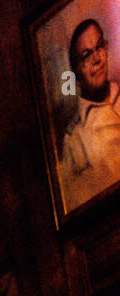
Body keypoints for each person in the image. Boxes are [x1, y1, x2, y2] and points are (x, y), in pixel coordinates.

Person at [59, 18, 120, 212]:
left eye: (99, 47)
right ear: (76, 72)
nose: (97, 59)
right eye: (86, 55)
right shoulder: (74, 140)